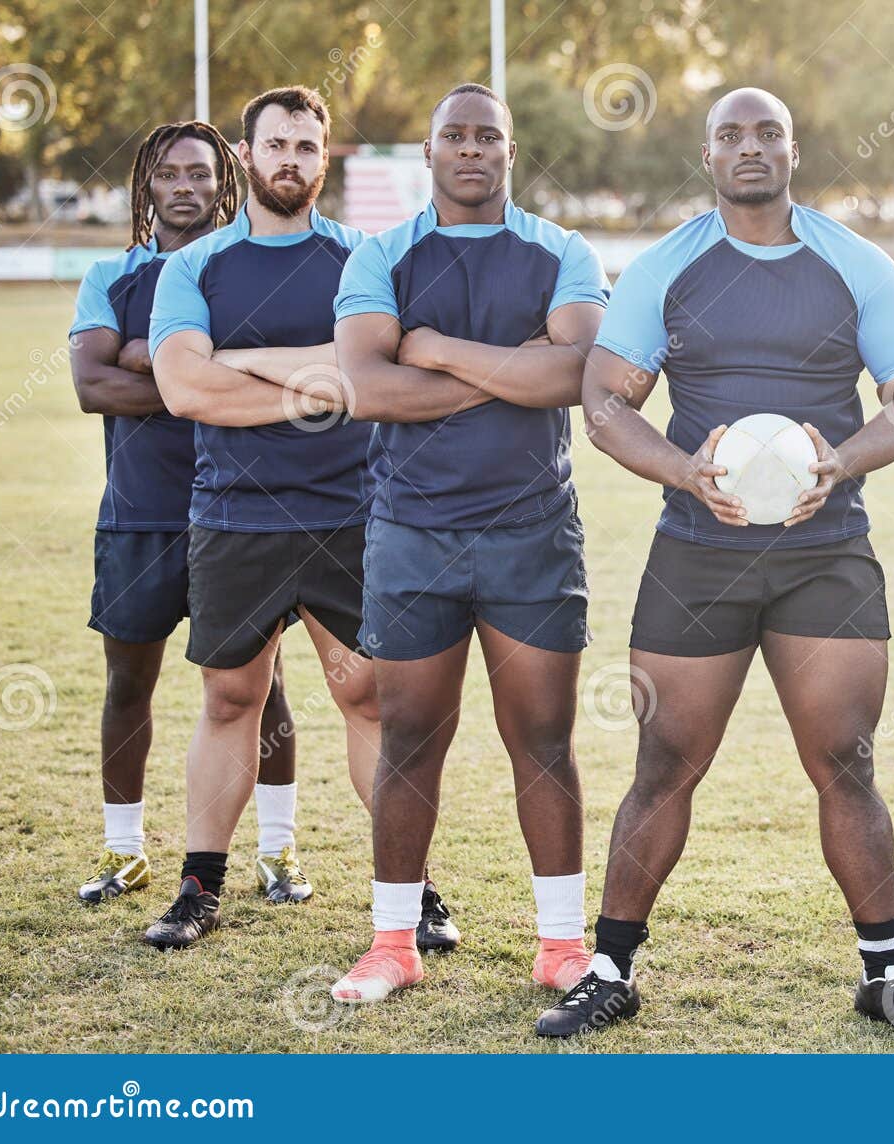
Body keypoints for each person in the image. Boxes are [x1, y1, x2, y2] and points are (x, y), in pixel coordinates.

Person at [535, 87, 894, 1036]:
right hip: (699, 554)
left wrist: (841, 461)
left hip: (825, 554)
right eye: (732, 135)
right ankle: (611, 969)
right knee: (664, 763)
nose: (751, 147)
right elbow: (604, 403)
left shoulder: (853, 263)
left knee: (846, 761)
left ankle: (886, 974)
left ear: (794, 150)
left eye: (769, 132)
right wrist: (687, 472)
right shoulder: (667, 266)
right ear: (709, 153)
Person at [328, 84, 609, 1003]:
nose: (473, 149)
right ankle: (393, 943)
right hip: (412, 534)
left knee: (544, 739)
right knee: (409, 735)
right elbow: (367, 389)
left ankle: (563, 946)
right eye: (456, 135)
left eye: (490, 134)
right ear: (430, 151)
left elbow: (577, 373)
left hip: (532, 532)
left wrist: (438, 348)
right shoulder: (381, 254)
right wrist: (511, 372)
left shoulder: (560, 251)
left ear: (511, 151)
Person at [142, 86, 380, 949]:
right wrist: (314, 378)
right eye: (276, 144)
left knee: (372, 700)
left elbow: (368, 375)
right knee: (229, 698)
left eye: (308, 148)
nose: (292, 160)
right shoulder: (193, 266)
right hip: (234, 518)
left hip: (351, 513)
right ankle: (200, 888)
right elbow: (182, 389)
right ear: (247, 156)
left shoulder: (362, 260)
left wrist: (238, 366)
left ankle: (410, 891)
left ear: (325, 159)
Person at [68, 120, 304, 908]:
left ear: (222, 183)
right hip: (141, 513)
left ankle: (277, 853)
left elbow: (266, 386)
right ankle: (124, 849)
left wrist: (152, 358)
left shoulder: (235, 273)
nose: (186, 186)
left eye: (201, 174)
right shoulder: (110, 273)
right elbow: (91, 385)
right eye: (170, 173)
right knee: (127, 683)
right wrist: (189, 382)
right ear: (147, 185)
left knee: (259, 692)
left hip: (241, 513)